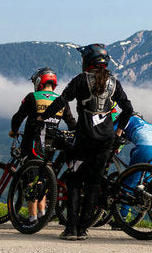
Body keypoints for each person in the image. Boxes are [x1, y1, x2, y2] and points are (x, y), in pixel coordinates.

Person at [40, 44, 134, 240]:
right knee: (93, 183)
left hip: (85, 138)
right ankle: (83, 229)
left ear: (87, 61)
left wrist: (44, 116)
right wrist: (118, 132)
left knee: (74, 180)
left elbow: (62, 100)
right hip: (106, 139)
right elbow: (128, 109)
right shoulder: (114, 82)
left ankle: (71, 229)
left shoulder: (81, 79)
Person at [10, 67, 77, 223]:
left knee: (32, 178)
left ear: (39, 81)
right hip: (51, 145)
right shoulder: (61, 100)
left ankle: (32, 218)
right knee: (44, 178)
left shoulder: (33, 97)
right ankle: (42, 215)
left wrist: (14, 130)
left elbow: (18, 117)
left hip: (33, 143)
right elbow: (72, 124)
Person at [114, 111, 152, 221]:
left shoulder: (125, 119)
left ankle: (121, 219)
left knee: (128, 183)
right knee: (137, 155)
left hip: (145, 148)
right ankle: (146, 185)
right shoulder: (147, 124)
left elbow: (112, 134)